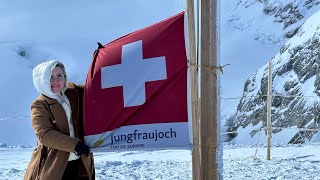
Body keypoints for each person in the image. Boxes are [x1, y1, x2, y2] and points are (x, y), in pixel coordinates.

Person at [24, 60, 95, 180]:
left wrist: (102, 64)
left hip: (80, 163)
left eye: (59, 76)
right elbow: (45, 134)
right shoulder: (39, 104)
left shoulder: (73, 93)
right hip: (55, 166)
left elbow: (93, 87)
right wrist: (75, 145)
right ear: (42, 80)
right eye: (50, 77)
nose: (55, 81)